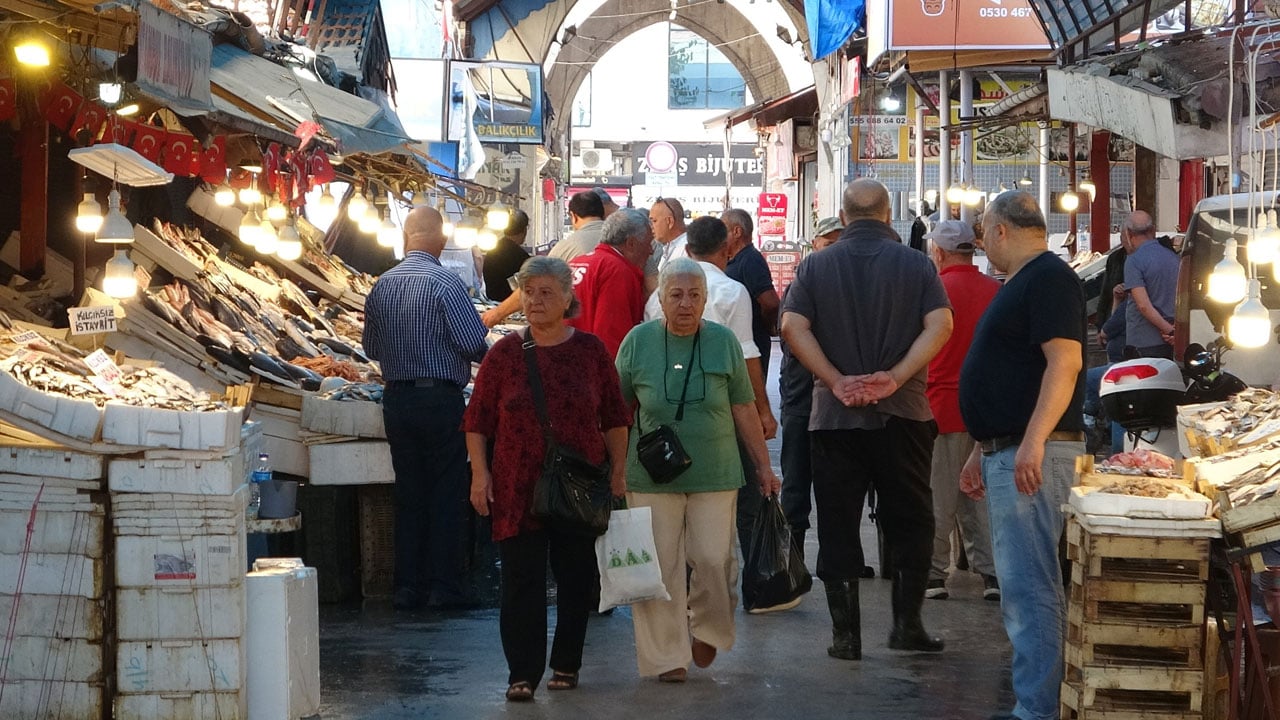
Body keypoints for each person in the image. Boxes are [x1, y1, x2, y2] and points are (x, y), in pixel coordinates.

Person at [781, 179, 953, 662]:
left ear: (844, 215)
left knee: (837, 523)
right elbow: (941, 324)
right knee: (912, 520)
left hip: (835, 419)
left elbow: (792, 325)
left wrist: (836, 380)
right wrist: (895, 378)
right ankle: (907, 626)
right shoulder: (917, 264)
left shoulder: (815, 265)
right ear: (886, 214)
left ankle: (846, 637)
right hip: (904, 414)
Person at [464, 256, 631, 703]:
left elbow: (615, 417)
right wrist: (480, 474)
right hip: (516, 486)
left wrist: (618, 471)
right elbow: (477, 421)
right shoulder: (504, 355)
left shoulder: (590, 351)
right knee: (521, 581)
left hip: (578, 484)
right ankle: (522, 673)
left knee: (575, 578)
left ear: (567, 297)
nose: (535, 301)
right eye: (528, 292)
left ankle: (567, 663)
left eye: (546, 293)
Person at [615, 258, 781, 683]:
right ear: (661, 299)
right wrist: (615, 467)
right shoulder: (637, 342)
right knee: (659, 566)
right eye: (676, 295)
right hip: (651, 474)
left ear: (706, 300)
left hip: (716, 470)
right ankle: (666, 657)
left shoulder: (723, 342)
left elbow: (743, 407)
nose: (685, 304)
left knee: (713, 558)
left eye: (694, 295)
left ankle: (708, 626)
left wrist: (764, 466)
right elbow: (617, 410)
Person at [958, 190, 1086, 720]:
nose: (982, 244)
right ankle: (1035, 702)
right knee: (1023, 587)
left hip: (1031, 455)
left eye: (983, 232)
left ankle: (1037, 709)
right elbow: (1015, 372)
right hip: (1010, 449)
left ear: (1000, 230)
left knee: (1030, 588)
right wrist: (980, 447)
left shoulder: (1049, 278)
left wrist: (1032, 441)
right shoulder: (1024, 281)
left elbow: (1065, 363)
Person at [643, 217, 779, 609]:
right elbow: (747, 358)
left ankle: (684, 591)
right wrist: (763, 411)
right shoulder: (733, 291)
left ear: (687, 250)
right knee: (746, 500)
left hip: (668, 416)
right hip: (722, 413)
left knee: (677, 505)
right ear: (726, 251)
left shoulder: (659, 297)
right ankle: (756, 588)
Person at [362, 206, 489, 612]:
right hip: (439, 400)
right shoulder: (446, 284)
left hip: (397, 400)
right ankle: (444, 587)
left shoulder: (382, 284)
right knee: (446, 492)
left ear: (405, 238)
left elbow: (371, 348)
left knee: (409, 492)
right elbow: (474, 344)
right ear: (441, 239)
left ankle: (407, 587)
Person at [921, 220, 1000, 603]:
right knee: (980, 495)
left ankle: (934, 574)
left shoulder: (933, 291)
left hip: (941, 407)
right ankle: (992, 574)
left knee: (939, 495)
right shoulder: (995, 291)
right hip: (988, 410)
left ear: (938, 252)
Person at [778, 217, 842, 559]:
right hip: (801, 400)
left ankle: (839, 562)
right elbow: (791, 339)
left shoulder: (848, 287)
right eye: (827, 243)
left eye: (839, 243)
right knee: (795, 485)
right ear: (814, 245)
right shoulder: (800, 286)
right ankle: (793, 562)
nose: (833, 250)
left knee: (837, 488)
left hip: (837, 404)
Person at [482, 192, 606, 326]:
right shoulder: (619, 240)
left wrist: (497, 313)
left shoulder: (566, 247)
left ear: (573, 216)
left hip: (578, 323)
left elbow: (533, 284)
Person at [566, 208, 653, 358]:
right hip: (593, 366)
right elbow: (612, 337)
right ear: (631, 243)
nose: (651, 250)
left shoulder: (576, 262)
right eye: (649, 243)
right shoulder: (617, 271)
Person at [722, 208, 781, 376]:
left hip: (751, 343)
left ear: (737, 232)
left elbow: (771, 302)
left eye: (723, 230)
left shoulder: (750, 260)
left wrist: (767, 326)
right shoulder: (736, 259)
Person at [1120, 210, 1178, 359]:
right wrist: (1175, 332)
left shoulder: (1134, 260)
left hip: (1144, 341)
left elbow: (1143, 306)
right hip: (1172, 340)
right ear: (1153, 230)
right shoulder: (1173, 257)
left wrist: (1168, 330)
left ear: (1128, 233)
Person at [482, 209, 531, 302]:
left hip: (493, 302)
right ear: (524, 230)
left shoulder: (493, 249)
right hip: (511, 304)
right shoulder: (521, 256)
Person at [650, 197, 689, 270]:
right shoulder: (668, 246)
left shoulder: (686, 250)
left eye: (654, 221)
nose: (651, 226)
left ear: (670, 221)